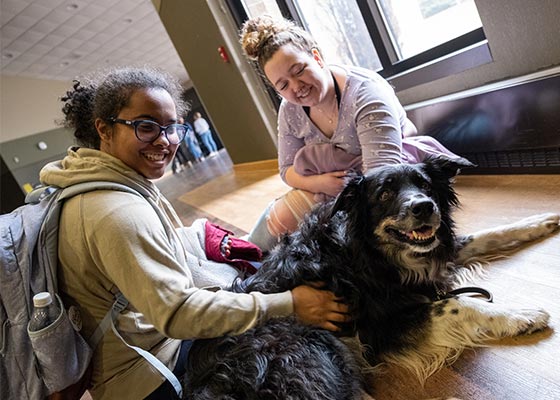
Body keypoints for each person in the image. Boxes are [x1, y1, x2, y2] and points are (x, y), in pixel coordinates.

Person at [41, 66, 349, 399]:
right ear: (104, 129)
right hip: (148, 373)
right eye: (146, 127)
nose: (164, 140)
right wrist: (289, 304)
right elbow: (178, 314)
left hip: (155, 343)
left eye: (172, 128)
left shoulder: (107, 180)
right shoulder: (116, 212)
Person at [239, 15, 460, 251]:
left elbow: (381, 174)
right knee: (277, 222)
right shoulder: (290, 111)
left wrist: (338, 190)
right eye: (283, 85)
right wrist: (320, 183)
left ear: (317, 57)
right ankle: (241, 251)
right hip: (333, 183)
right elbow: (286, 171)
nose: (296, 86)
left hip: (388, 183)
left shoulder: (365, 94)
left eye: (299, 70)